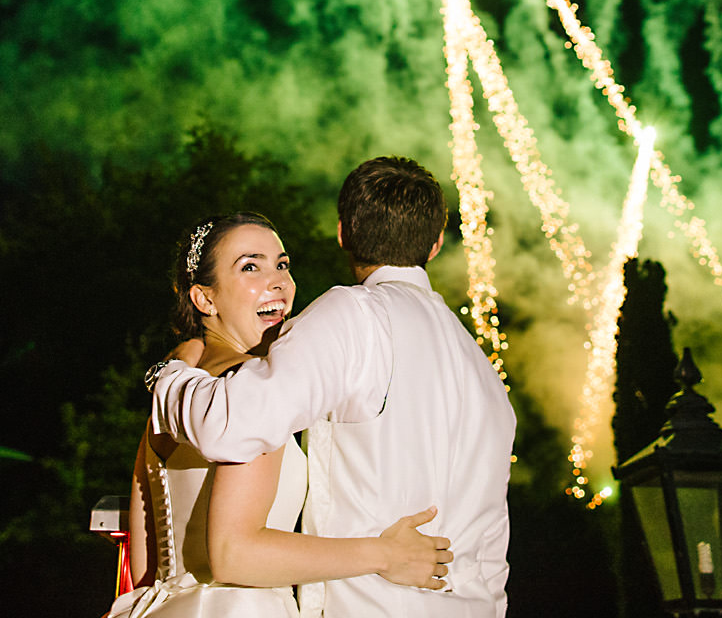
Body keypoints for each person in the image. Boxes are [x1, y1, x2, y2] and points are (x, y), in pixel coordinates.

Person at [150, 159, 517, 616]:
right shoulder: (485, 373)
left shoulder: (354, 316)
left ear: (343, 232)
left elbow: (232, 425)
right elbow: (492, 548)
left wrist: (170, 375)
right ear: (437, 242)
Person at [109, 211, 452, 617]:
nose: (279, 282)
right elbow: (237, 554)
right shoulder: (249, 391)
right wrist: (385, 555)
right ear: (205, 298)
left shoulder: (172, 396)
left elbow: (146, 570)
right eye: (250, 267)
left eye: (282, 265)